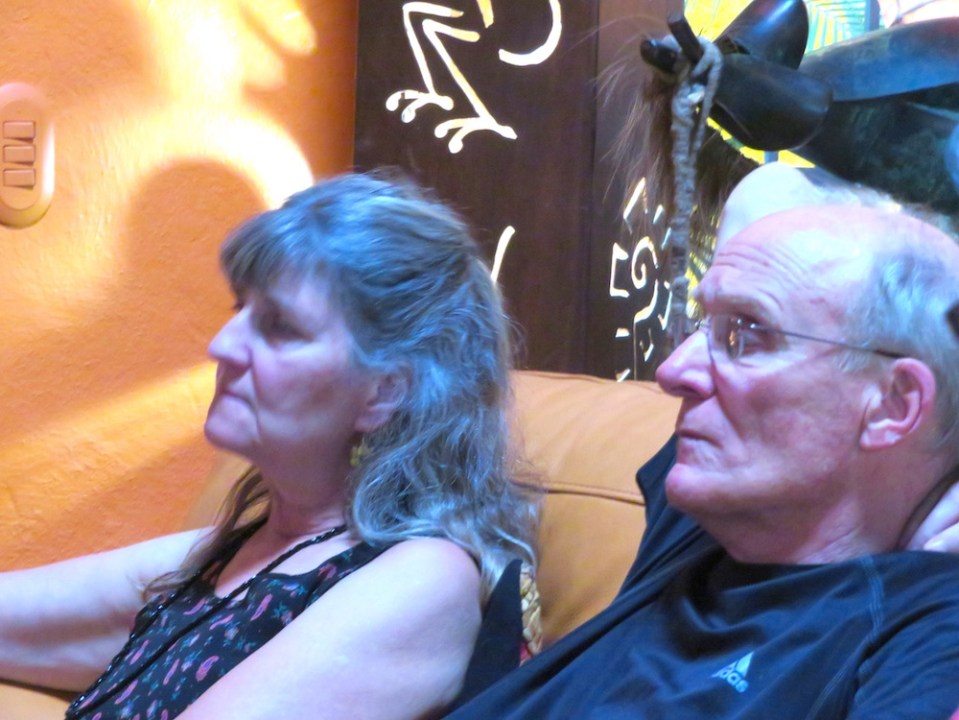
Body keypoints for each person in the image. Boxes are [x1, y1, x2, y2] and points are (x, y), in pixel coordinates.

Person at [0, 171, 538, 720]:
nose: (222, 345)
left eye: (280, 327)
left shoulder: (423, 579)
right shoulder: (240, 551)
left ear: (385, 391)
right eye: (240, 310)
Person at [445, 191, 959, 719]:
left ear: (893, 405)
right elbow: (769, 186)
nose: (673, 372)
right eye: (704, 324)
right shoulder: (703, 516)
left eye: (745, 334)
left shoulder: (925, 634)